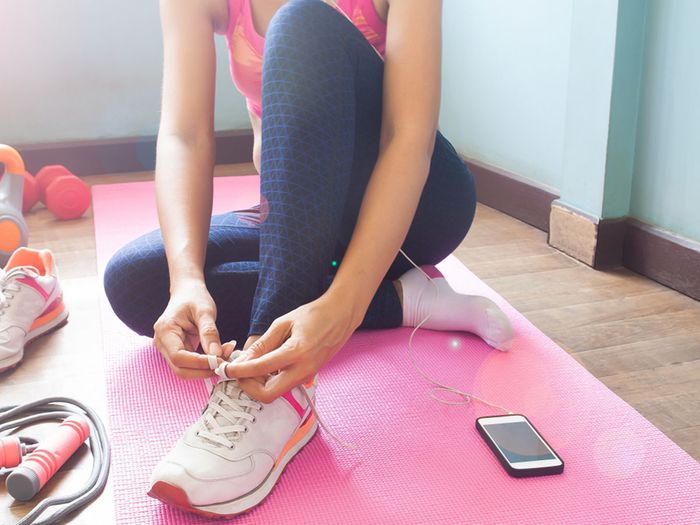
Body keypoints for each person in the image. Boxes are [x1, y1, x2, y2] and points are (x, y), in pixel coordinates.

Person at [104, 0, 513, 516]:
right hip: (302, 214)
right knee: (137, 281)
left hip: (418, 207)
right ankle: (403, 300)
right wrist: (185, 279)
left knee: (302, 18)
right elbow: (185, 134)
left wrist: (345, 303)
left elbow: (407, 137)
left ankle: (274, 390)